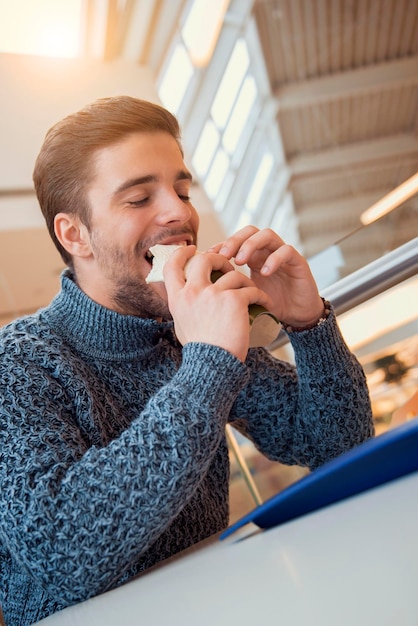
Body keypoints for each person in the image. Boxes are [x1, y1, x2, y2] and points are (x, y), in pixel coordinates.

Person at [0, 95, 373, 625]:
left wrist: (308, 324)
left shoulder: (186, 330)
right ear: (74, 234)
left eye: (181, 188)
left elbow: (337, 445)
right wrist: (207, 366)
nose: (179, 212)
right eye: (138, 199)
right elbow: (61, 552)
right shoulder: (18, 363)